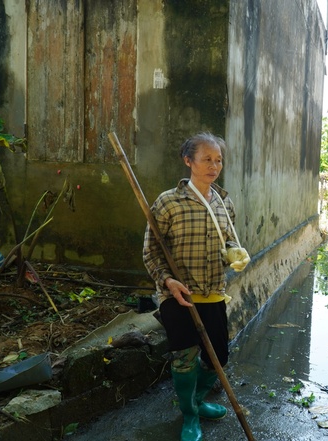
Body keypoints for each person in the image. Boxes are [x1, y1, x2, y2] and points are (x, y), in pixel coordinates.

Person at [143, 133, 249, 441]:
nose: (214, 166)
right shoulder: (168, 202)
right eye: (207, 159)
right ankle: (189, 414)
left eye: (218, 160)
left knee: (219, 355)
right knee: (184, 356)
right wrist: (167, 280)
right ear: (188, 161)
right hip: (178, 294)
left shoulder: (224, 201)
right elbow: (151, 251)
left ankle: (198, 400)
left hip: (213, 290)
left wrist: (234, 253)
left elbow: (228, 239)